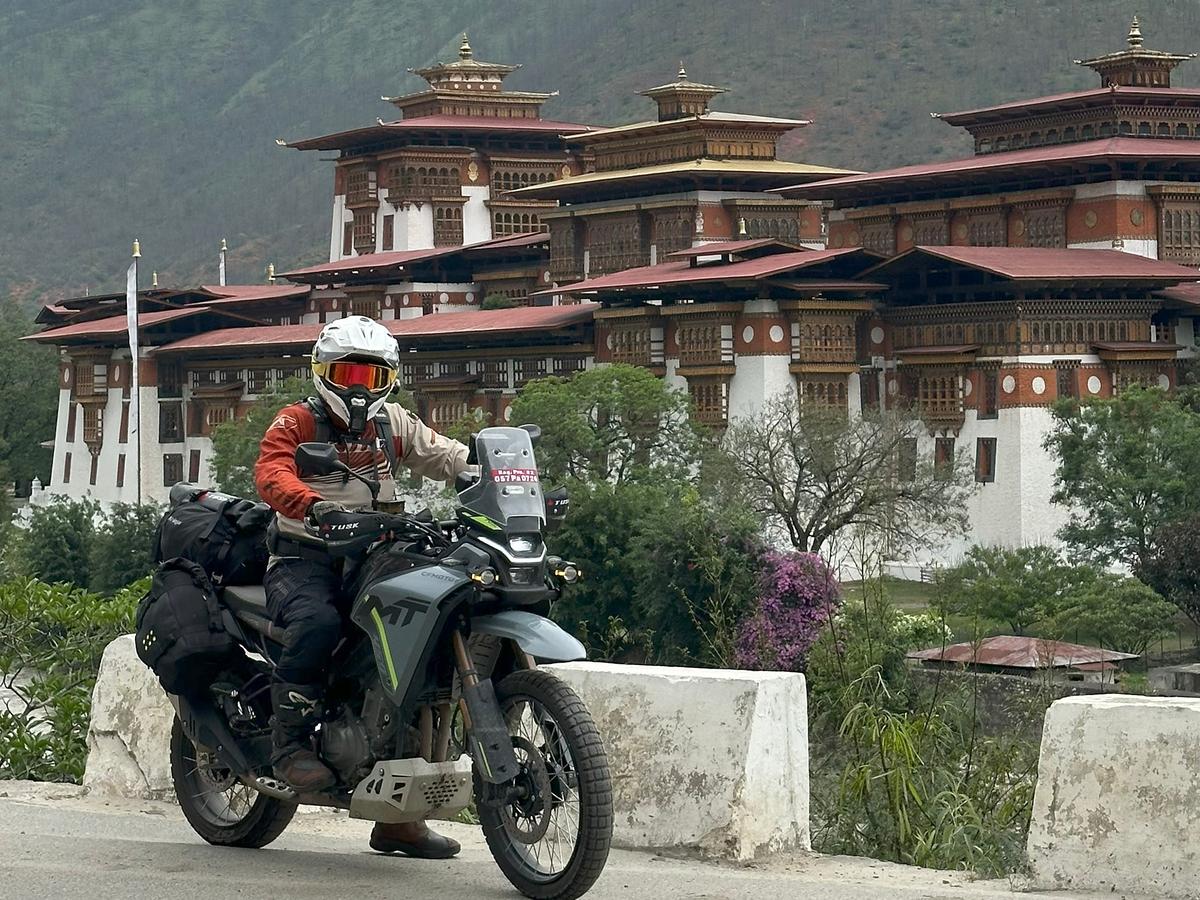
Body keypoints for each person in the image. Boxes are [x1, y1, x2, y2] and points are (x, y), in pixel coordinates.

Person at [254, 316, 469, 859]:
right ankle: (289, 745)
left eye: (370, 376)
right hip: (305, 558)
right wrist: (313, 505)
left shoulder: (392, 423)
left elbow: (442, 453)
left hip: (375, 555)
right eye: (346, 372)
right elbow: (272, 473)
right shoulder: (297, 419)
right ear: (322, 373)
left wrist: (493, 471)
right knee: (319, 625)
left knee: (421, 642)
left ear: (387, 380)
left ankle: (401, 821)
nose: (356, 386)